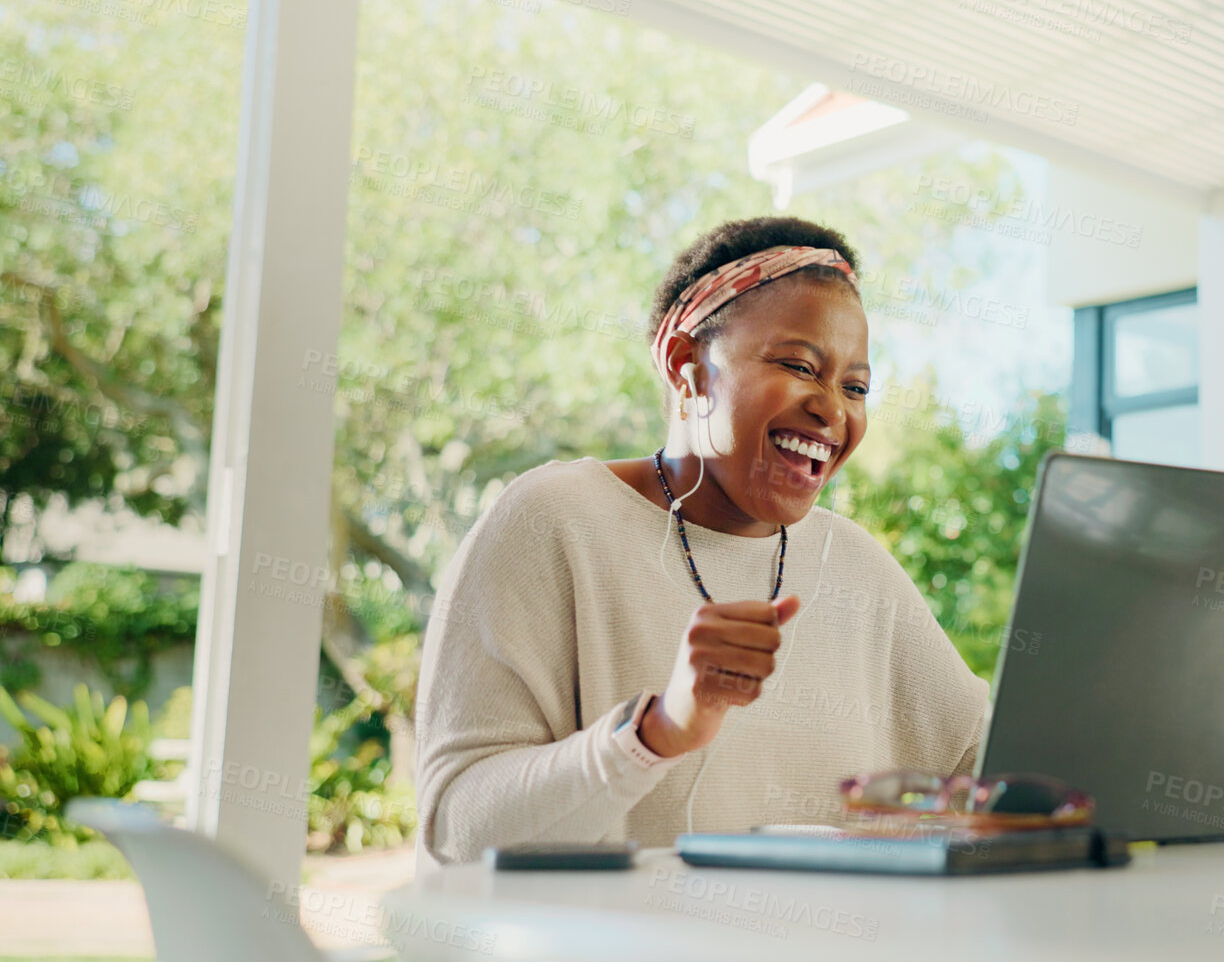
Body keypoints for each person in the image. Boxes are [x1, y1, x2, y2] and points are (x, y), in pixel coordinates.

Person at [413, 216, 990, 868]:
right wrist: (656, 732)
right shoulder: (554, 518)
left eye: (855, 386)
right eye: (800, 365)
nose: (833, 409)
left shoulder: (857, 565)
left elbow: (989, 771)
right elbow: (457, 825)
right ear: (687, 367)